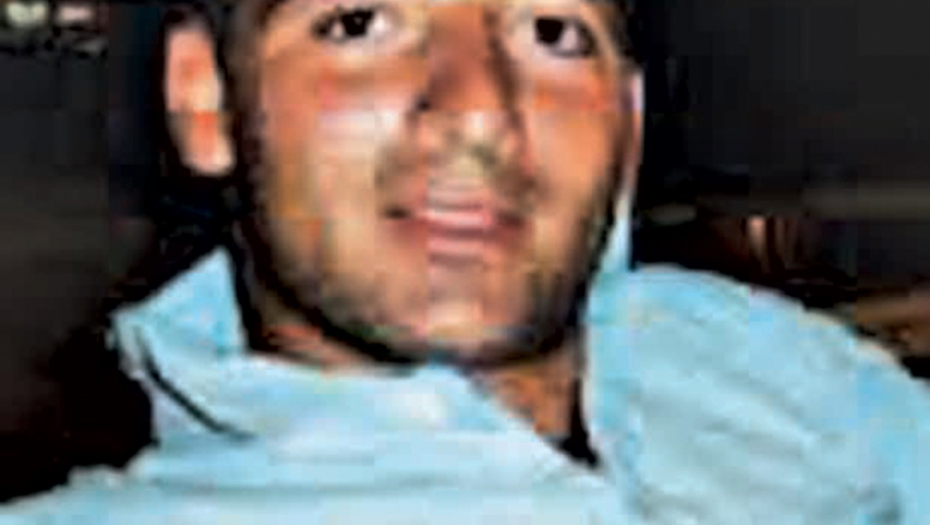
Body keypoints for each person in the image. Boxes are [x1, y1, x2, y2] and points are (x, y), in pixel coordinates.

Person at [3, 0, 929, 522]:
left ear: (629, 126)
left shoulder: (726, 342)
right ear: (207, 100)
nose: (480, 107)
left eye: (554, 32)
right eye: (360, 22)